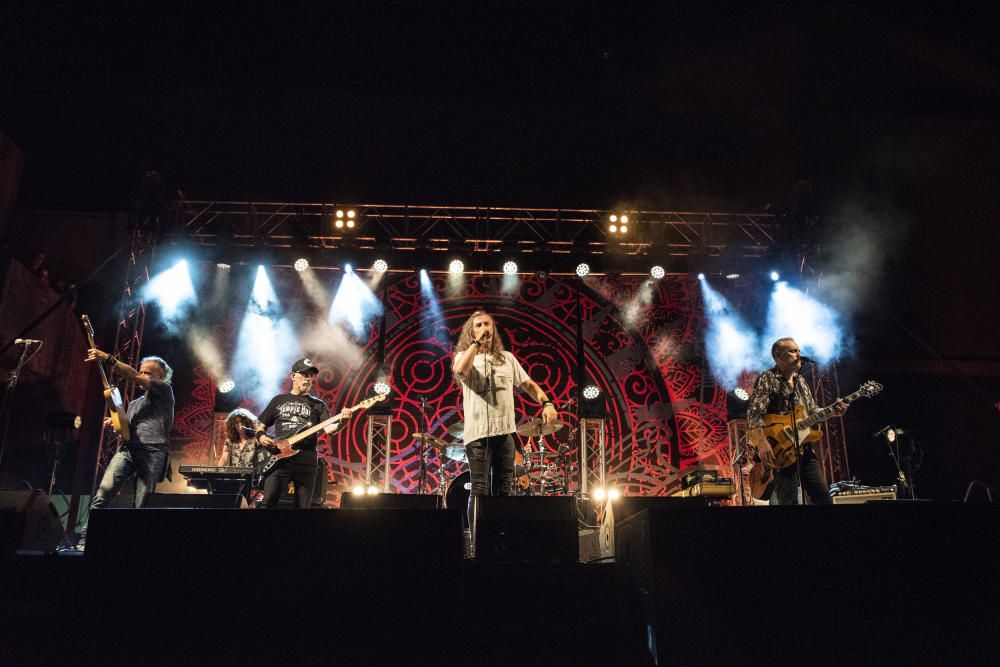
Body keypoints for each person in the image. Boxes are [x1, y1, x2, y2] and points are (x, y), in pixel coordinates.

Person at [452, 310, 558, 547]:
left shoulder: (507, 358)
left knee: (504, 490)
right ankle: (477, 543)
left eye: (487, 324)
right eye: (478, 325)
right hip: (478, 436)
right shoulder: (464, 355)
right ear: (472, 331)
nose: (484, 328)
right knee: (479, 488)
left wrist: (546, 402)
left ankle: (501, 542)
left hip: (505, 434)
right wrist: (476, 346)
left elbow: (528, 384)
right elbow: (460, 371)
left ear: (494, 328)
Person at [80, 351, 175, 546]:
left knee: (142, 503)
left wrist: (108, 359)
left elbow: (132, 376)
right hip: (128, 450)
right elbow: (127, 430)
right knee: (103, 493)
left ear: (161, 377)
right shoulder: (134, 403)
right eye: (141, 371)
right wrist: (115, 423)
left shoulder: (165, 390)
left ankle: (135, 545)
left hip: (153, 452)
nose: (142, 375)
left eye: (148, 373)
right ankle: (86, 539)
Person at [746, 337, 846, 505]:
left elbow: (813, 412)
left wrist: (833, 411)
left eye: (799, 351)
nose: (798, 355)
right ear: (778, 356)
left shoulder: (801, 382)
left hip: (803, 448)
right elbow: (754, 413)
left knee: (823, 498)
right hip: (781, 449)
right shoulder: (768, 378)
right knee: (789, 500)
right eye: (792, 351)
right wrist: (762, 441)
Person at [254, 358, 351, 509]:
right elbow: (260, 426)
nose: (308, 378)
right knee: (268, 503)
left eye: (311, 375)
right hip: (279, 459)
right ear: (293, 376)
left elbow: (329, 429)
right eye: (304, 374)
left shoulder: (318, 405)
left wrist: (343, 422)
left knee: (303, 508)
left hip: (306, 461)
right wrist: (262, 437)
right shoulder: (278, 400)